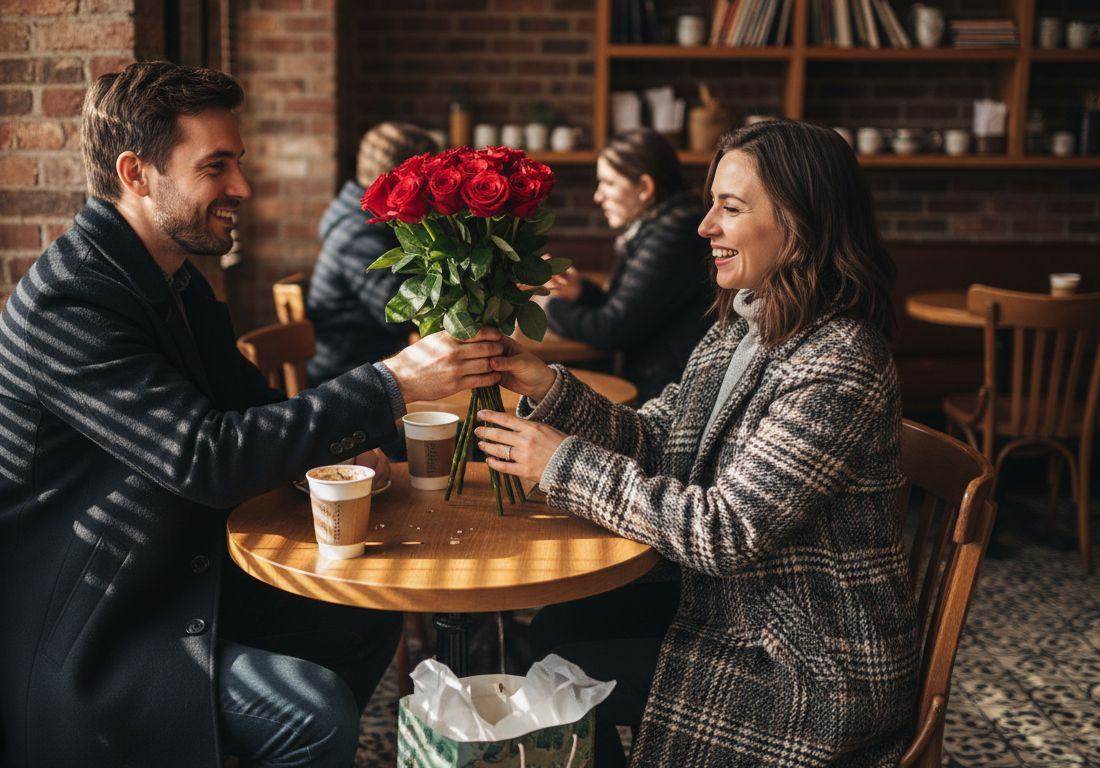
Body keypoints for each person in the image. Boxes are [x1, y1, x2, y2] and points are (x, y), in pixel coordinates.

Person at [0, 62, 503, 768]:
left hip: (181, 575)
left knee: (365, 611)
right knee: (308, 712)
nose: (242, 189)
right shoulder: (69, 305)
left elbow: (253, 413)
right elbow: (208, 458)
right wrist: (391, 382)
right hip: (102, 628)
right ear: (137, 174)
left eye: (239, 163)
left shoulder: (175, 281)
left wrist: (337, 451)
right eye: (215, 167)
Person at [474, 121, 917, 767]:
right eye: (712, 202)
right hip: (737, 610)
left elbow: (728, 530)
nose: (705, 225)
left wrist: (559, 462)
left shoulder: (839, 359)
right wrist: (547, 386)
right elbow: (658, 441)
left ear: (802, 223)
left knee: (556, 677)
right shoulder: (742, 327)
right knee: (555, 634)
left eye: (730, 208)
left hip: (807, 660)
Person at [543, 128, 713, 403]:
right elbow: (634, 311)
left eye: (608, 183)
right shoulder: (662, 224)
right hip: (659, 383)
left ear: (645, 188)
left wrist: (548, 307)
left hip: (668, 395)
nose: (598, 196)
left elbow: (613, 330)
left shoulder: (674, 234)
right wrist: (580, 293)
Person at [306, 121, 438, 386]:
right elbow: (397, 313)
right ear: (404, 179)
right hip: (347, 376)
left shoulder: (356, 211)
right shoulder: (357, 232)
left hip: (375, 362)